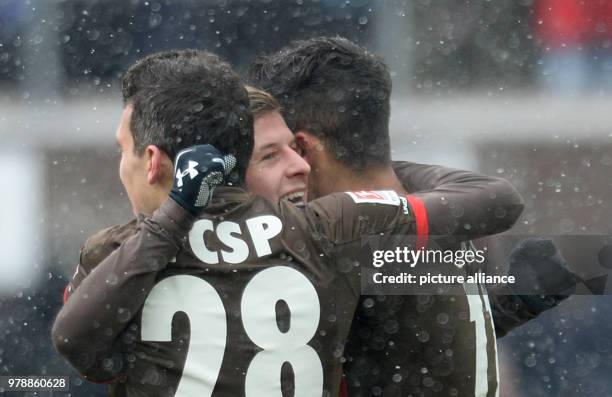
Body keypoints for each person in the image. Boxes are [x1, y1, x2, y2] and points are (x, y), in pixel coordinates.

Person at [52, 49, 427, 396]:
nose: (302, 166)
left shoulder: (335, 230)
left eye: (296, 150)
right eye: (269, 157)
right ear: (230, 174)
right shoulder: (331, 233)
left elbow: (84, 352)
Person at [249, 36, 577, 396]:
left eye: (279, 153)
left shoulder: (331, 244)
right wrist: (511, 305)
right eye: (268, 155)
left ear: (303, 148)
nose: (287, 166)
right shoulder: (446, 219)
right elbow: (407, 347)